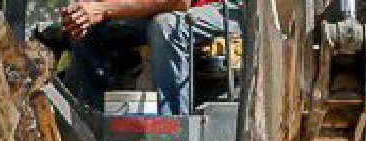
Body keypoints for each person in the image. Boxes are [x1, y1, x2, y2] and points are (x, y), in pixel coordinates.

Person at [60, 0, 240, 114]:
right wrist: (81, 15)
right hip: (163, 11)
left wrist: (101, 9)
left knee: (167, 26)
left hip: (228, 11)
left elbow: (178, 2)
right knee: (88, 34)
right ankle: (99, 129)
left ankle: (173, 130)